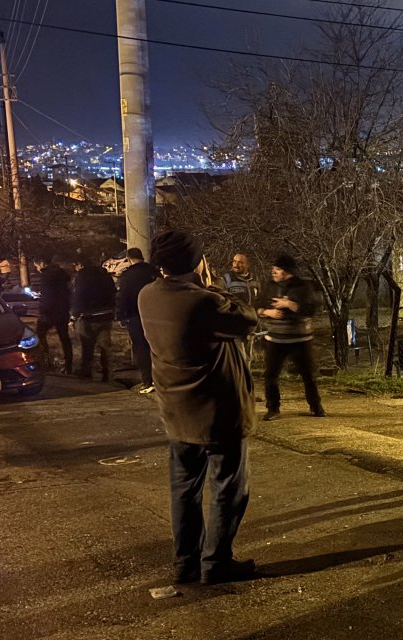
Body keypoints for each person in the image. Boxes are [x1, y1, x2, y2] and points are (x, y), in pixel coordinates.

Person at [139, 230, 259, 585]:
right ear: (196, 263)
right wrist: (210, 286)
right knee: (228, 489)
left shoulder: (147, 296)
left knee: (184, 491)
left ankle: (185, 563)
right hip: (218, 414)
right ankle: (216, 562)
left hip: (177, 412)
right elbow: (248, 319)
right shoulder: (203, 301)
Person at [257, 254, 324, 421]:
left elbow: (311, 309)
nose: (273, 272)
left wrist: (290, 304)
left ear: (287, 271)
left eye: (277, 269)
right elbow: (256, 306)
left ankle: (316, 406)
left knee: (308, 375)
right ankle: (273, 408)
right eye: (273, 269)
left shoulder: (302, 287)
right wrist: (268, 312)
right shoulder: (269, 286)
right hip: (275, 339)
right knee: (271, 375)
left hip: (300, 339)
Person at [116, 248, 160, 393]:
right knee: (157, 348)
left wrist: (121, 316)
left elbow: (122, 298)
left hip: (135, 316)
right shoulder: (153, 271)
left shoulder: (127, 276)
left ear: (129, 259)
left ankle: (147, 382)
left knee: (141, 349)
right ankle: (162, 379)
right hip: (155, 315)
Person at [71, 256, 117, 382]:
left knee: (87, 346)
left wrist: (73, 316)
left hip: (88, 317)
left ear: (80, 264)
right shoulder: (105, 275)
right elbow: (113, 292)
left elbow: (79, 296)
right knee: (105, 347)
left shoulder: (82, 277)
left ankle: (86, 373)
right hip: (106, 316)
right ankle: (107, 373)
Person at [33, 255, 74, 374]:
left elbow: (48, 296)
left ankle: (46, 361)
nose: (36, 269)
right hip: (63, 310)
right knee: (64, 338)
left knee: (40, 334)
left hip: (49, 312)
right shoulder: (62, 273)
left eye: (36, 266)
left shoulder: (46, 275)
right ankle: (69, 365)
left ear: (41, 263)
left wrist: (43, 308)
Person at [223, 253, 261, 361]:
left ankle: (246, 377)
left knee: (248, 357)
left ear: (248, 264)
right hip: (235, 325)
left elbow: (258, 301)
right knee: (239, 357)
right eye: (234, 261)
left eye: (240, 262)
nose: (236, 264)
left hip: (251, 325)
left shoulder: (255, 279)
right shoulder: (226, 278)